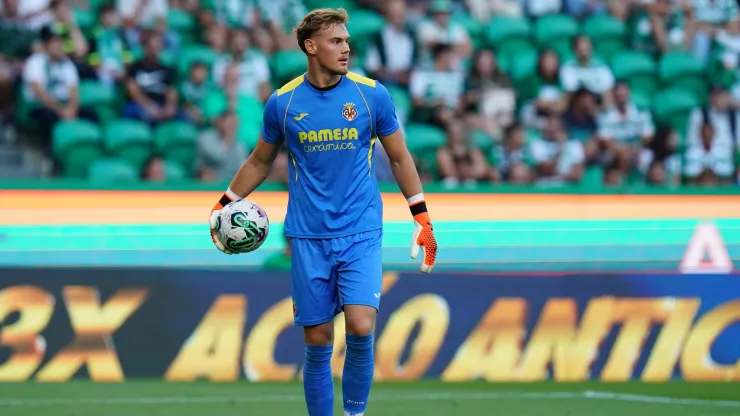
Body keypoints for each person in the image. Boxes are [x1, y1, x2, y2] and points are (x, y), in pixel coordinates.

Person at [207, 8, 437, 416]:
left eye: (347, 41)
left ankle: (354, 413)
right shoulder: (284, 102)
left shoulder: (372, 94)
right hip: (308, 236)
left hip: (361, 229)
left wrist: (421, 217)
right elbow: (260, 160)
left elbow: (400, 158)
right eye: (336, 41)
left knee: (362, 326)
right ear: (311, 47)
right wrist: (225, 203)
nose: (346, 48)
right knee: (317, 340)